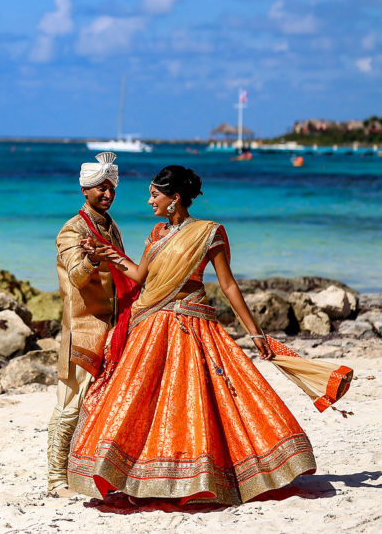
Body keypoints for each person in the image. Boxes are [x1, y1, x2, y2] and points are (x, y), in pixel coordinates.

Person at [68, 165, 316, 504]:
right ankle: (137, 476)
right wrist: (104, 253)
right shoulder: (157, 234)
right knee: (142, 405)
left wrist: (255, 332)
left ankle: (207, 476)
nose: (148, 201)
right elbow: (140, 276)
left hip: (194, 327)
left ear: (175, 198)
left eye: (154, 195)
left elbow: (228, 285)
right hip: (154, 327)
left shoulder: (209, 232)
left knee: (201, 404)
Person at [47, 152, 127, 497]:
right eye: (100, 188)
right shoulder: (72, 230)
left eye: (111, 188)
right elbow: (78, 278)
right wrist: (92, 259)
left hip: (112, 326)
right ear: (85, 190)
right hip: (82, 329)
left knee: (99, 405)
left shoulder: (110, 226)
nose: (107, 194)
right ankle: (55, 481)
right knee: (71, 406)